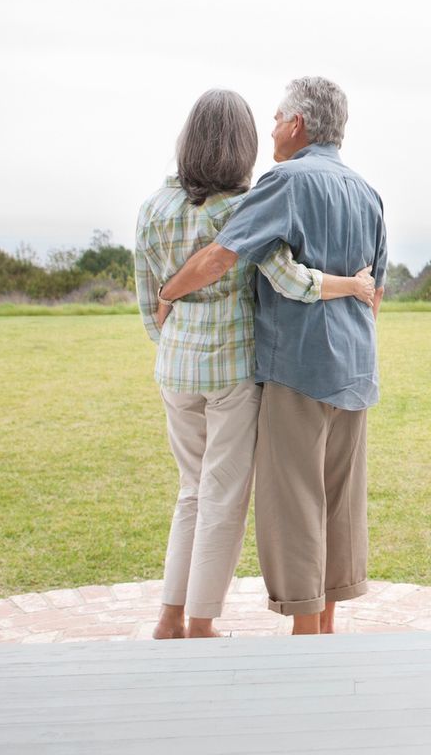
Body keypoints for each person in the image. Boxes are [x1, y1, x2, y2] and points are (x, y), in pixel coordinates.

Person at [133, 88, 375, 640]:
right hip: (236, 374)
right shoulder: (248, 206)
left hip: (176, 371)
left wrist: (171, 330)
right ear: (239, 145)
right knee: (225, 498)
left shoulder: (152, 208)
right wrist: (352, 287)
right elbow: (288, 277)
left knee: (191, 492)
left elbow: (150, 301)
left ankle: (170, 618)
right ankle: (200, 624)